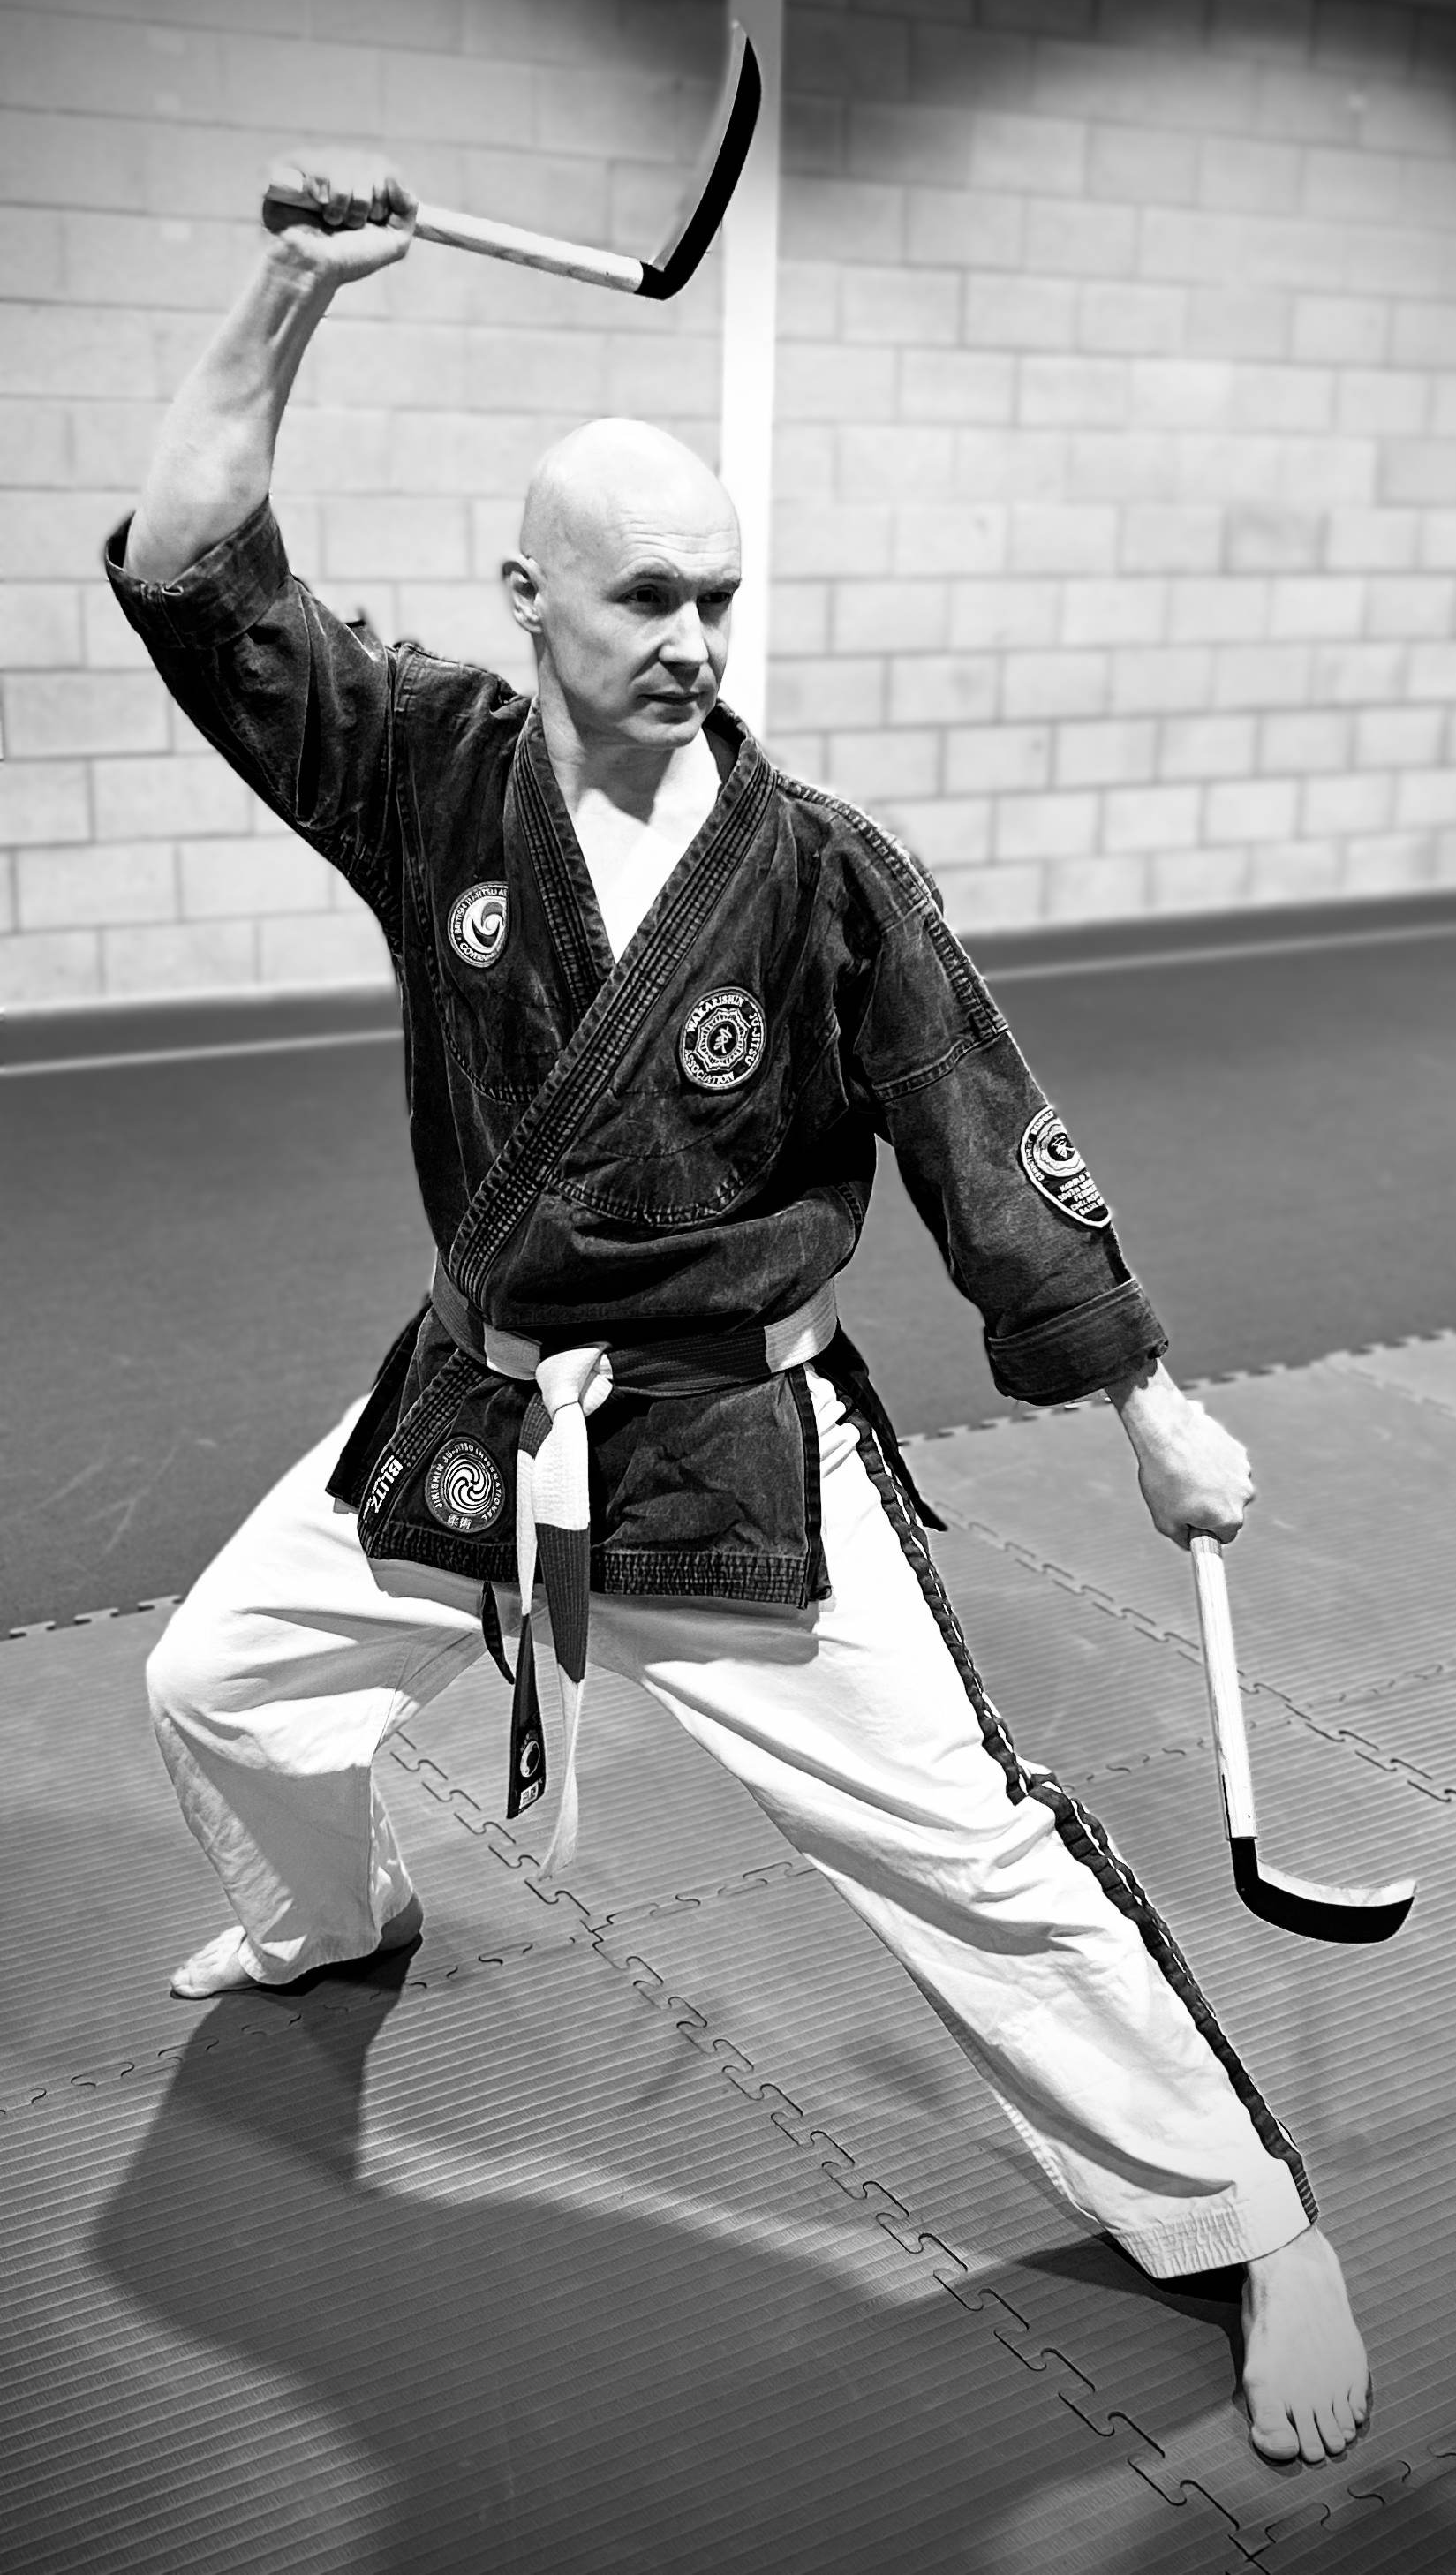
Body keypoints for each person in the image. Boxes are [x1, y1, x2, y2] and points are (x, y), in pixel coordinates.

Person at [106, 163, 1369, 2469]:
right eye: (642, 594)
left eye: (720, 595)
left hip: (732, 1445)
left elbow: (998, 1148)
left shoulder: (819, 879)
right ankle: (327, 1921)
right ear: (527, 598)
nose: (693, 632)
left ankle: (1246, 2213)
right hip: (483, 1404)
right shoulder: (428, 770)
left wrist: (1152, 1406)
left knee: (969, 1857)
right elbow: (195, 568)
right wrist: (288, 286)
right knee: (219, 1681)